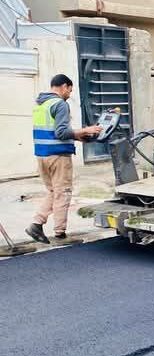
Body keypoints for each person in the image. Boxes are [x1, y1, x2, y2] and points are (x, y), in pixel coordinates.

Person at [25, 74, 102, 244]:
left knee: (54, 192)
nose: (69, 94)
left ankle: (36, 224)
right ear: (64, 86)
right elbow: (61, 132)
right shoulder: (60, 104)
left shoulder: (41, 104)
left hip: (42, 155)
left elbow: (52, 132)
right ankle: (60, 234)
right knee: (63, 193)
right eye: (70, 90)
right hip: (58, 156)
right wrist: (85, 130)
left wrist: (78, 137)